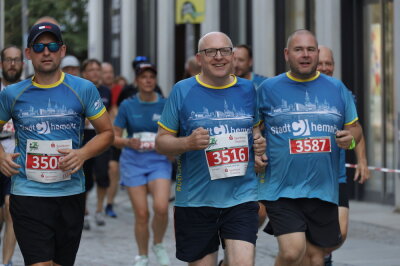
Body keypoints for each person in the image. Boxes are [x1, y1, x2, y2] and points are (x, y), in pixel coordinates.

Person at [0, 22, 114, 266]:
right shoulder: (12, 93)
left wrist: (82, 154)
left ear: (62, 50)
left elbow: (107, 133)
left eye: (52, 46)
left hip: (69, 194)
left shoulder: (83, 89)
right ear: (28, 54)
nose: (46, 52)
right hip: (28, 194)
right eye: (39, 47)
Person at [156, 31, 266, 266]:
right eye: (210, 52)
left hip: (241, 197)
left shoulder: (248, 90)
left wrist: (259, 144)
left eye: (224, 51)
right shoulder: (182, 90)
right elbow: (161, 141)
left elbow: (254, 130)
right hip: (196, 200)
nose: (218, 57)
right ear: (199, 58)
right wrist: (187, 142)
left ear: (233, 55)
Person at [257, 29, 363, 266]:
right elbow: (251, 128)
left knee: (315, 258)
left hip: (323, 189)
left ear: (317, 53)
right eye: (298, 49)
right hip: (281, 189)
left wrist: (351, 139)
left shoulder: (337, 89)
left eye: (310, 50)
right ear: (287, 54)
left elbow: (355, 128)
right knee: (293, 251)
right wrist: (256, 147)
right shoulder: (268, 89)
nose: (305, 55)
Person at [114, 62, 172, 266]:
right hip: (133, 162)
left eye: (151, 77)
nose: (148, 80)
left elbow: (175, 134)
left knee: (161, 207)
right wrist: (128, 141)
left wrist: (168, 145)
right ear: (137, 81)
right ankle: (142, 255)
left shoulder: (165, 104)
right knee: (141, 213)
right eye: (143, 77)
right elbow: (113, 137)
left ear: (155, 81)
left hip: (158, 161)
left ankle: (158, 243)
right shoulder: (127, 105)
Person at [317, 45, 370, 266]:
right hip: (302, 177)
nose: (325, 67)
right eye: (320, 63)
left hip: (335, 176)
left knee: (339, 234)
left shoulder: (344, 93)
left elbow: (355, 128)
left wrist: (362, 161)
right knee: (302, 244)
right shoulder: (295, 93)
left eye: (328, 63)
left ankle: (322, 255)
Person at [81, 59, 112, 228]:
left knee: (102, 174)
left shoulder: (106, 91)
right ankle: (84, 212)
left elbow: (112, 111)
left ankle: (99, 210)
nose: (94, 72)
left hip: (102, 136)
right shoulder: (80, 90)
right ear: (84, 73)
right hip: (84, 137)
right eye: (90, 69)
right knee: (84, 177)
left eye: (97, 69)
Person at [0, 45, 24, 266]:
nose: (12, 64)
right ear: (1, 64)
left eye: (16, 60)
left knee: (12, 210)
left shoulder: (29, 93)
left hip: (17, 161)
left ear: (23, 64)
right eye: (8, 60)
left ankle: (6, 262)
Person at [101, 62, 120, 218]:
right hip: (97, 137)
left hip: (114, 136)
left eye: (110, 71)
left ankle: (109, 203)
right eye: (105, 72)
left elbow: (115, 111)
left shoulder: (118, 89)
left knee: (113, 169)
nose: (108, 75)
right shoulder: (94, 90)